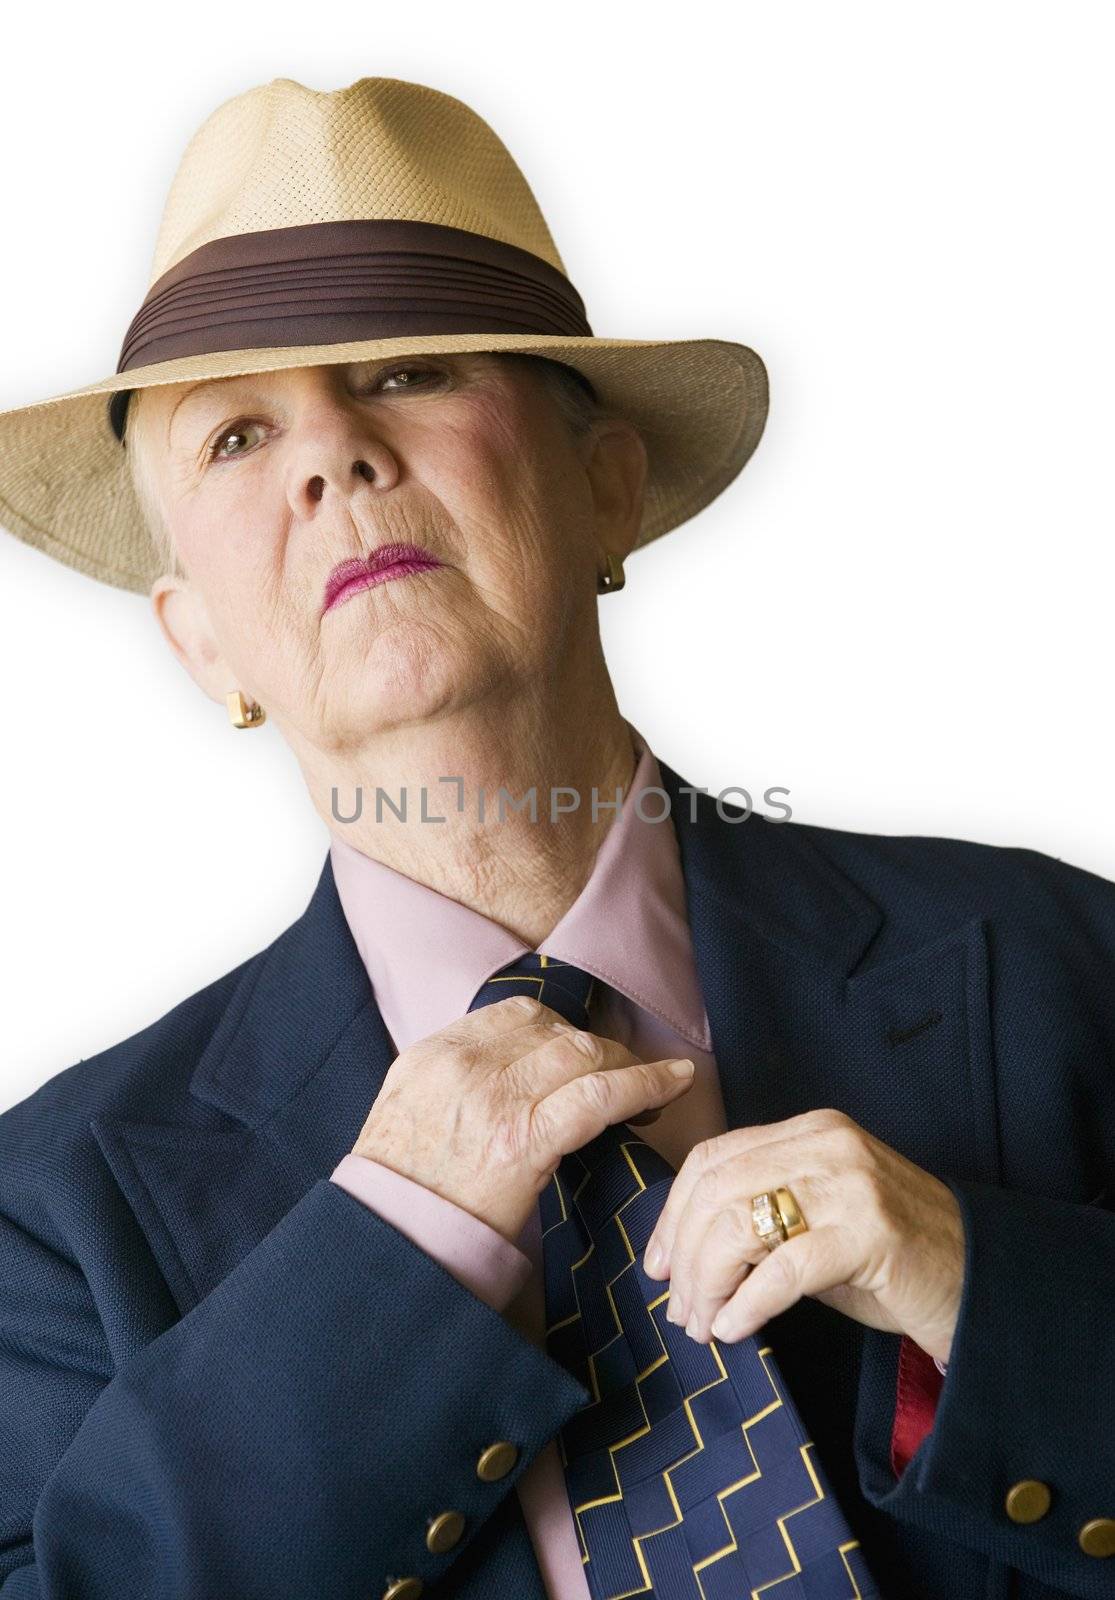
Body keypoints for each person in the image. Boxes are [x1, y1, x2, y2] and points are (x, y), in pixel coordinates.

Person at [0, 73, 1113, 1600]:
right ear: (201, 645)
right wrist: (390, 1250)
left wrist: (984, 1291)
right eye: (240, 436)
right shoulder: (50, 1212)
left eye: (408, 371)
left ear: (605, 489)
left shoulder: (1064, 966)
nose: (331, 456)